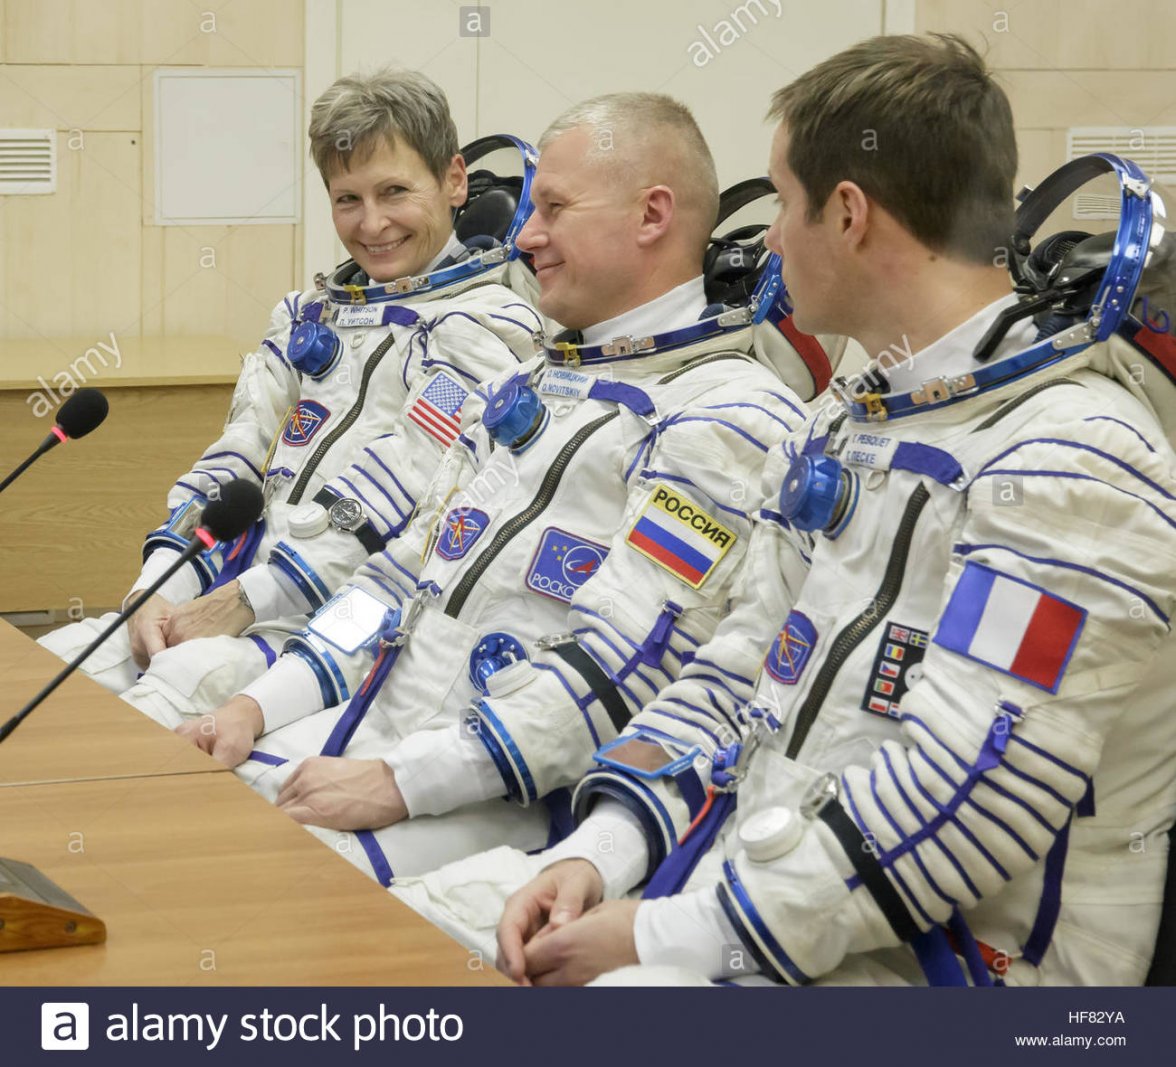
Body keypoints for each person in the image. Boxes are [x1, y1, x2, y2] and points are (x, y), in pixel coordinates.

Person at [473, 33, 1176, 988]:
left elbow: (969, 793)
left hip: (990, 972)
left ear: (847, 213)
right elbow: (738, 671)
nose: (764, 239)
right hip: (778, 903)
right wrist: (601, 849)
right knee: (471, 944)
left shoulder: (1076, 463)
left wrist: (666, 937)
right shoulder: (842, 426)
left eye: (785, 204)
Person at [179, 92, 847, 882]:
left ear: (652, 215)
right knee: (182, 812)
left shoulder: (728, 415)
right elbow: (397, 578)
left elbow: (622, 664)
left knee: (253, 883)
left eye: (554, 209)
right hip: (370, 740)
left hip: (507, 799)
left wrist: (406, 778)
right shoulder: (535, 382)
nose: (524, 235)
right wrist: (259, 705)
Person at [39, 69, 541, 718]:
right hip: (229, 591)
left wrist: (242, 602)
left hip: (342, 630)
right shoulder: (310, 314)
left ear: (453, 181)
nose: (373, 223)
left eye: (395, 191)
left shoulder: (486, 327)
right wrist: (157, 585)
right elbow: (236, 455)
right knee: (44, 674)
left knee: (155, 705)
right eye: (347, 199)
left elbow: (401, 489)